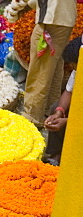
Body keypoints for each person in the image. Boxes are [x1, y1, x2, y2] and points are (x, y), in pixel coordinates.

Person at [42, 36, 79, 165]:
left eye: (75, 66)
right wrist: (59, 112)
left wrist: (68, 121)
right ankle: (55, 155)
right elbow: (69, 91)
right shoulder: (77, 70)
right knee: (54, 107)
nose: (73, 69)